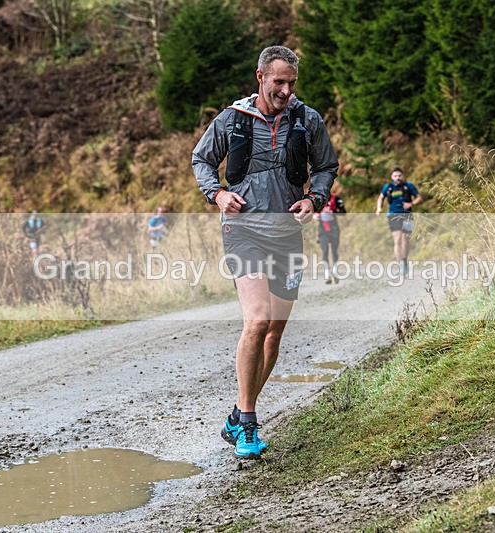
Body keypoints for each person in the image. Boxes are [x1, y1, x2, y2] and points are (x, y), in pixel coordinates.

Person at [193, 45, 338, 459]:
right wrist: (217, 193)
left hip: (287, 235)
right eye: (279, 82)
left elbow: (327, 166)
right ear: (260, 77)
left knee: (274, 332)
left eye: (292, 83)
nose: (286, 90)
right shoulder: (232, 118)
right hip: (243, 231)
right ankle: (250, 424)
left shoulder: (307, 119)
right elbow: (202, 160)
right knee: (256, 321)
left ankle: (239, 412)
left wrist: (315, 198)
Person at [376, 166, 423, 275]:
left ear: (403, 176)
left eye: (399, 175)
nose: (397, 177)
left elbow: (419, 198)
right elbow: (381, 197)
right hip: (393, 216)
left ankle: (405, 260)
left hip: (407, 216)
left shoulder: (409, 186)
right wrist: (379, 208)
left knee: (405, 240)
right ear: (392, 177)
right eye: (395, 176)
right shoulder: (388, 187)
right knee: (397, 240)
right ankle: (401, 263)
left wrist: (411, 204)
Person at [314, 190, 345, 284]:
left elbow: (343, 212)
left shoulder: (336, 198)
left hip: (334, 228)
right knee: (325, 250)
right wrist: (315, 216)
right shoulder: (317, 199)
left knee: (334, 250)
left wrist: (333, 211)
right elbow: (312, 212)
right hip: (322, 228)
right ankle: (327, 274)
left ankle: (335, 271)